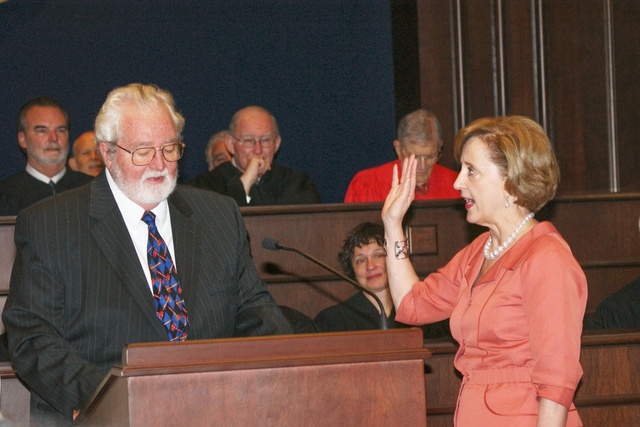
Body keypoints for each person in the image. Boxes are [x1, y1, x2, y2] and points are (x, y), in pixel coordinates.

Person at [2, 83, 292, 425]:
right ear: (107, 153)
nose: (160, 164)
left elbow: (255, 311)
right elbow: (32, 337)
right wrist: (114, 400)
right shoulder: (51, 224)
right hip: (105, 414)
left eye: (169, 148)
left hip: (217, 409)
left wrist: (275, 377)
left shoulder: (218, 214)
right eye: (142, 151)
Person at [382, 116, 587, 426]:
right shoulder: (481, 250)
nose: (456, 182)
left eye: (472, 171)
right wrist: (393, 225)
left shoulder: (547, 258)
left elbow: (556, 384)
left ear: (511, 182)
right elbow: (412, 305)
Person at [313, 222, 450, 339]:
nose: (370, 266)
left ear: (396, 260)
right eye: (360, 261)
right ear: (352, 269)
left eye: (378, 256)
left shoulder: (427, 313)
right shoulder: (333, 321)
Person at [189, 106, 321, 206]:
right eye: (248, 141)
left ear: (277, 144)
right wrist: (246, 180)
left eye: (265, 140)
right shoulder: (206, 186)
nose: (258, 150)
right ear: (230, 144)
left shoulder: (297, 184)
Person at [0, 97, 93, 216]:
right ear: (22, 139)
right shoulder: (5, 195)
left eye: (60, 130)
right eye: (42, 131)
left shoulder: (93, 189)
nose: (54, 138)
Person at [344, 109, 460, 203]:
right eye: (415, 157)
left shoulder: (458, 185)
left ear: (440, 147)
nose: (422, 166)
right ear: (399, 149)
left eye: (430, 156)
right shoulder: (367, 184)